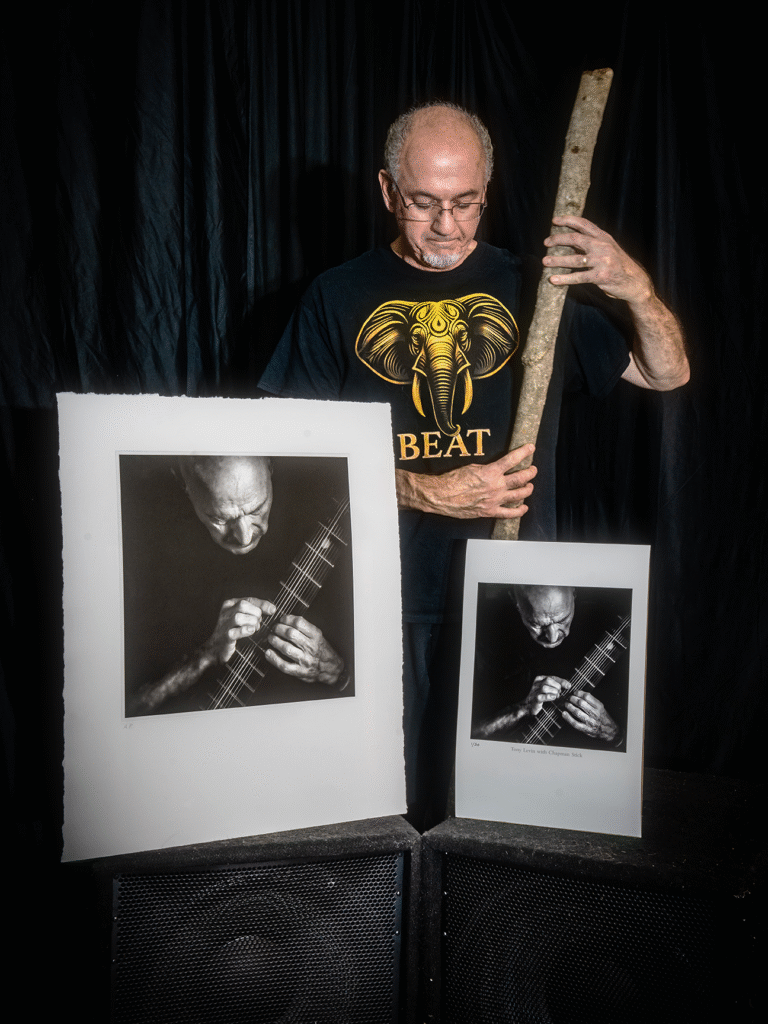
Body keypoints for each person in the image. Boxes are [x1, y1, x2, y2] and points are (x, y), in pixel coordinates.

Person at [258, 102, 688, 825]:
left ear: (487, 192)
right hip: (379, 603)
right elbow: (287, 456)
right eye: (423, 202)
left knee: (494, 817)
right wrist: (426, 491)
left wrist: (635, 289)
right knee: (388, 808)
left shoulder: (535, 289)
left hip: (511, 606)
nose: (446, 226)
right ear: (388, 191)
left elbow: (666, 373)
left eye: (464, 203)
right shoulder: (336, 297)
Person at [122, 454, 351, 717]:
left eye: (256, 510)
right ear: (185, 484)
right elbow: (124, 711)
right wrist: (206, 656)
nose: (244, 537)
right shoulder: (140, 537)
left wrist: (338, 673)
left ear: (270, 465)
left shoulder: (319, 492)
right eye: (220, 518)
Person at [471, 584, 625, 748]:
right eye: (536, 624)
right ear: (515, 600)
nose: (552, 637)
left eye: (562, 620)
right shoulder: (484, 628)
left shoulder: (606, 616)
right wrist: (522, 709)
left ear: (574, 592)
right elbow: (465, 735)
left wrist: (614, 734)